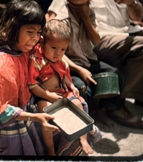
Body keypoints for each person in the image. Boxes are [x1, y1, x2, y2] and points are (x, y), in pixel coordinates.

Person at [0, 0, 85, 156]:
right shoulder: (4, 65)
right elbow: (3, 111)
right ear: (13, 28)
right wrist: (36, 117)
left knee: (75, 106)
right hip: (9, 118)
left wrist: (75, 71)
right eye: (30, 32)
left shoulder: (23, 46)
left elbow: (53, 47)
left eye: (38, 33)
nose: (35, 38)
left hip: (24, 104)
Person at [45, 0, 143, 129]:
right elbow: (57, 53)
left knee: (116, 76)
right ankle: (81, 122)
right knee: (81, 88)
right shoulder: (61, 20)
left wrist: (85, 16)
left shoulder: (90, 13)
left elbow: (96, 41)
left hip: (87, 59)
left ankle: (103, 110)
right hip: (69, 64)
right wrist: (79, 70)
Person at [28, 19, 100, 155]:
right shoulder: (37, 60)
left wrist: (71, 85)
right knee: (45, 110)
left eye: (63, 50)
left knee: (78, 104)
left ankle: (83, 138)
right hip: (44, 95)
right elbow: (32, 85)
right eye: (53, 48)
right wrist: (49, 96)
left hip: (61, 93)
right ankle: (50, 149)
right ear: (42, 42)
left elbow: (64, 76)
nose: (58, 53)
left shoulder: (60, 61)